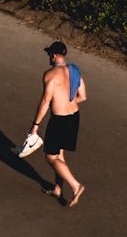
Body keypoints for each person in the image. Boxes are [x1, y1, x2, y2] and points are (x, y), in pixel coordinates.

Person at [31, 41, 87, 206]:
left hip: (59, 120)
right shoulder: (75, 71)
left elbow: (45, 102)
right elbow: (83, 97)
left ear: (54, 55)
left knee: (50, 156)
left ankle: (76, 186)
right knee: (59, 155)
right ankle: (57, 189)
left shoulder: (50, 75)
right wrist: (68, 103)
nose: (49, 56)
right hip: (74, 117)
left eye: (49, 54)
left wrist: (36, 125)